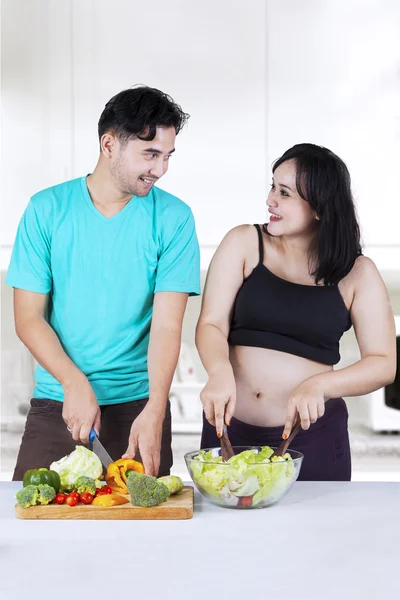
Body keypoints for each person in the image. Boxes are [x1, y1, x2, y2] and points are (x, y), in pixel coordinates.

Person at [7, 85, 200, 479]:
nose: (160, 169)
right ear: (109, 144)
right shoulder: (46, 210)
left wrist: (156, 409)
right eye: (150, 154)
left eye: (167, 156)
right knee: (33, 525)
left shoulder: (174, 219)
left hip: (139, 408)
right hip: (58, 400)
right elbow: (28, 318)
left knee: (140, 535)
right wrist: (73, 382)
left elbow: (166, 327)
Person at [196, 143, 396, 480]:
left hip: (312, 439)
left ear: (319, 208)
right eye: (273, 186)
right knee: (226, 534)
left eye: (285, 193)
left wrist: (320, 384)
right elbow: (212, 324)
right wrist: (218, 372)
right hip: (228, 434)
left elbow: (383, 363)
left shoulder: (359, 274)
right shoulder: (244, 243)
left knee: (316, 533)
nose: (270, 200)